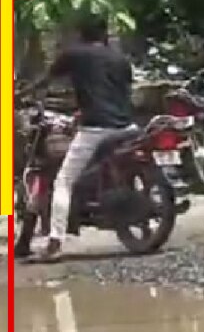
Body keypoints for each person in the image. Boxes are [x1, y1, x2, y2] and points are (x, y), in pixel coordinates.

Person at [19, 15, 135, 262]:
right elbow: (121, 89)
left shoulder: (74, 54)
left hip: (97, 127)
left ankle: (54, 243)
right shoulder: (119, 58)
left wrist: (24, 92)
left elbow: (46, 79)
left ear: (80, 34)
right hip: (127, 125)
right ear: (105, 34)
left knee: (63, 181)